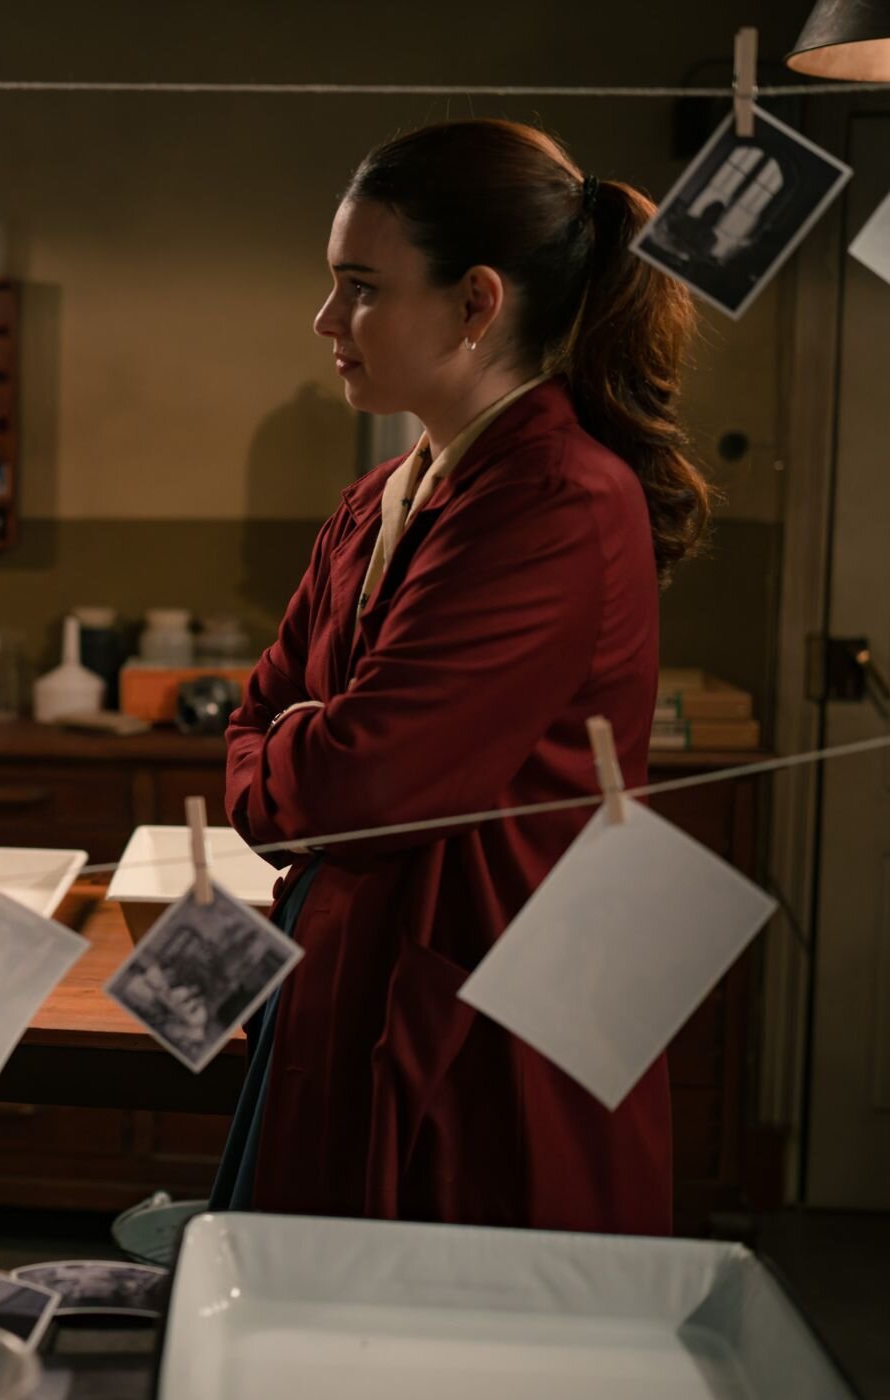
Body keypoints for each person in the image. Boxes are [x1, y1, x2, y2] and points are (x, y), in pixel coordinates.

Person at [210, 118, 710, 1234]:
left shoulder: (554, 501)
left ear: (475, 301)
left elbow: (360, 783)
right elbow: (257, 722)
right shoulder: (381, 494)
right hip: (348, 978)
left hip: (479, 1016)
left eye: (359, 288)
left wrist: (301, 749)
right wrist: (301, 747)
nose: (325, 322)